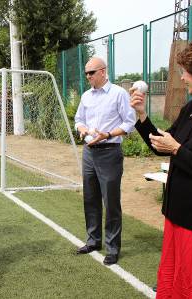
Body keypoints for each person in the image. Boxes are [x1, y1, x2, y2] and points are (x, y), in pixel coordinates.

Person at [130, 36, 192, 298]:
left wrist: (178, 150)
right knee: (174, 283)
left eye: (185, 72)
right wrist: (142, 116)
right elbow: (162, 143)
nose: (181, 78)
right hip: (177, 214)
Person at [74, 57, 136, 265]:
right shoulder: (86, 96)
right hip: (89, 153)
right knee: (90, 198)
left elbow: (130, 122)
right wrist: (82, 129)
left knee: (110, 201)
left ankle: (112, 248)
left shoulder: (118, 93)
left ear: (102, 72)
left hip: (110, 151)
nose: (88, 77)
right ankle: (93, 241)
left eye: (91, 73)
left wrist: (108, 134)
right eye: (86, 73)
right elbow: (79, 119)